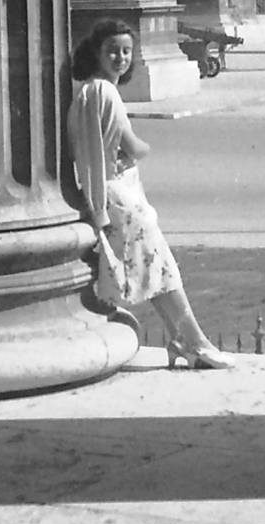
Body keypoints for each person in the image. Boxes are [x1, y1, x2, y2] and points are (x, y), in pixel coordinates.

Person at [67, 19, 231, 369]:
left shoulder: (87, 90)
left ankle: (183, 340)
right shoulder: (104, 92)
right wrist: (143, 148)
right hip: (120, 198)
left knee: (156, 272)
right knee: (163, 271)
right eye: (113, 50)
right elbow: (133, 147)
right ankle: (196, 342)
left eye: (127, 51)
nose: (120, 58)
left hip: (110, 194)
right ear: (96, 52)